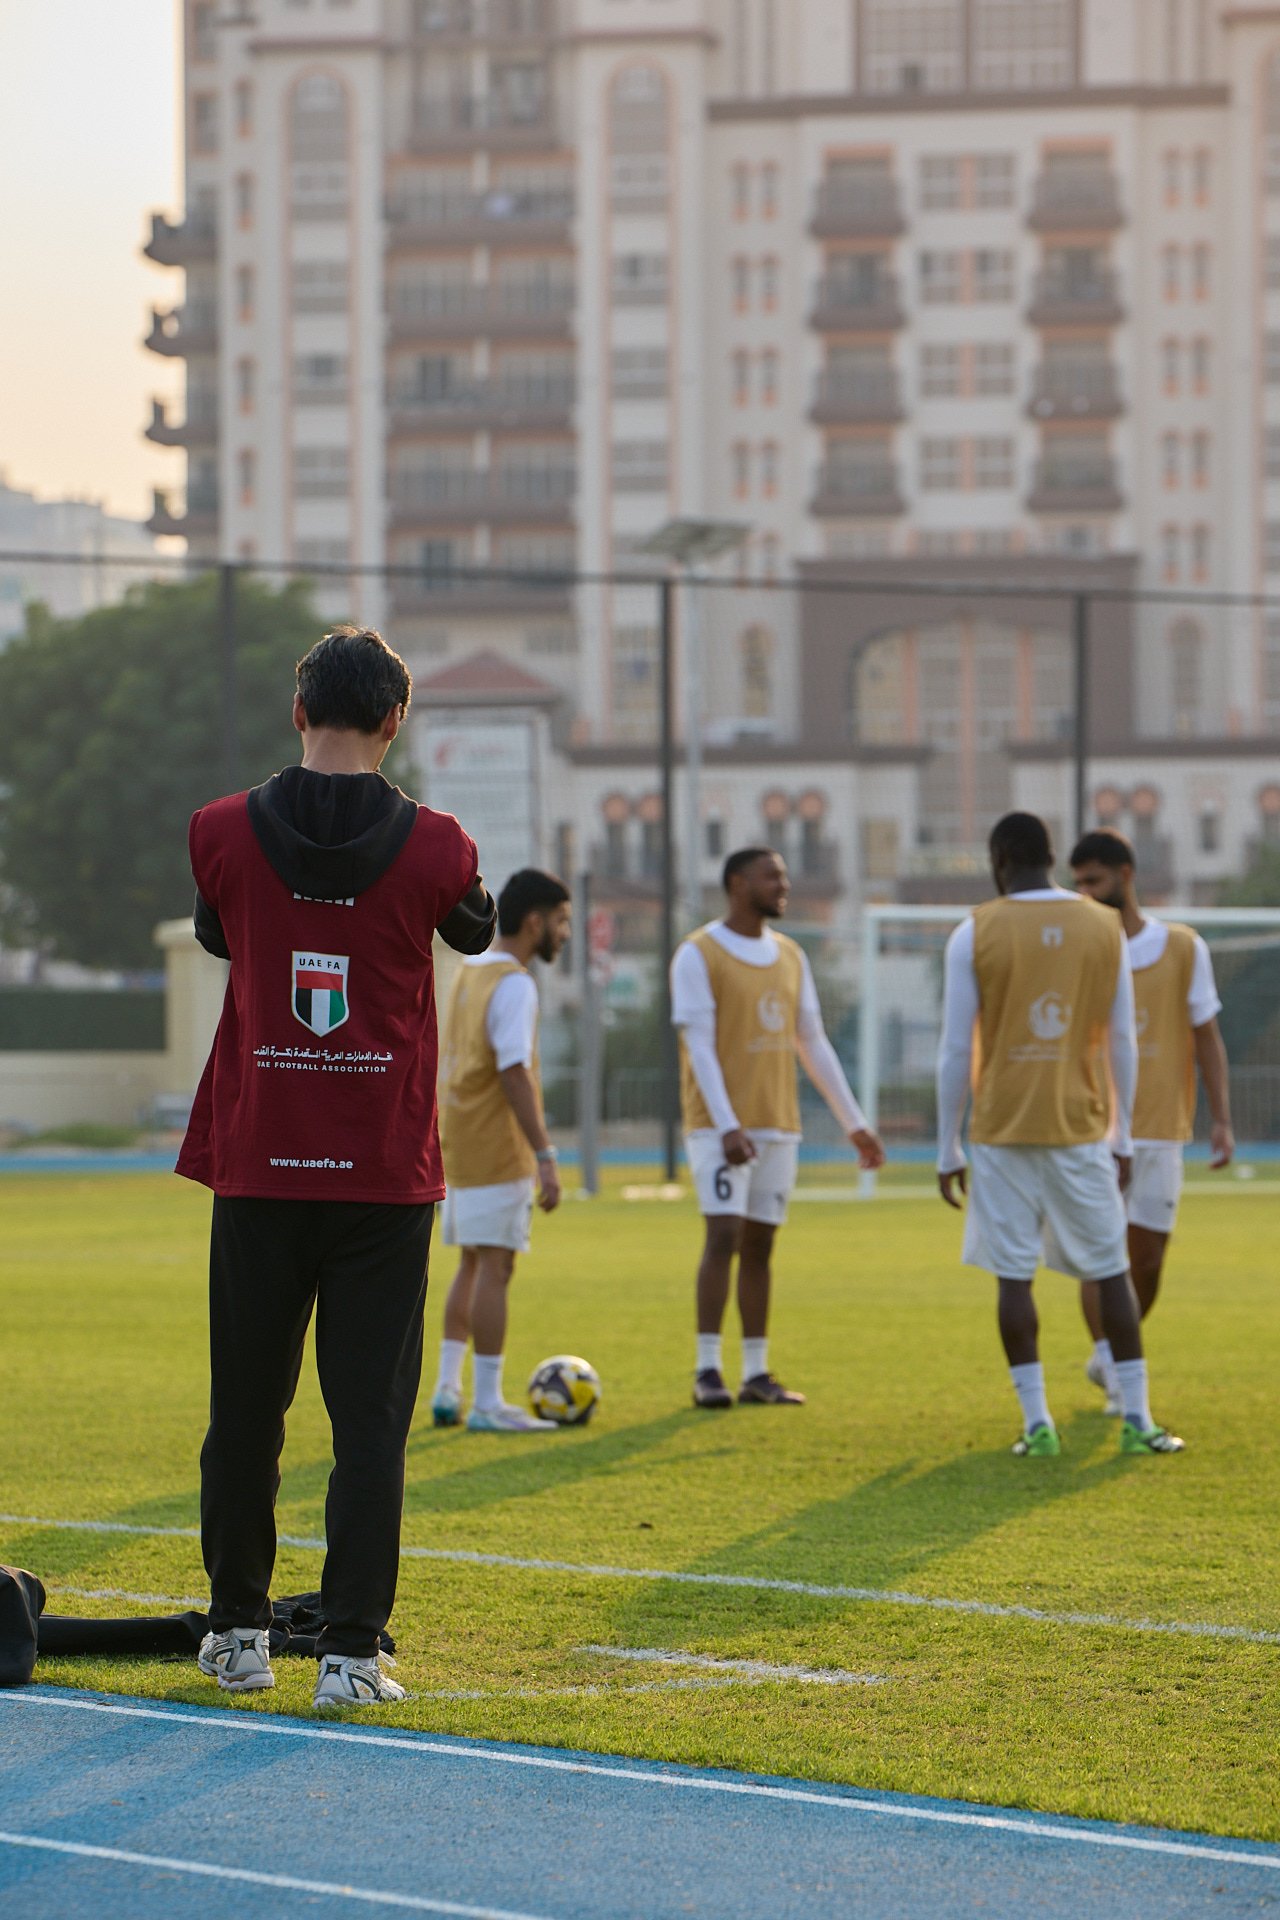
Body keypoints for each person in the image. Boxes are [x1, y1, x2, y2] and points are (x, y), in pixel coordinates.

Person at [177, 625, 496, 1708]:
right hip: (382, 1176)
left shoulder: (219, 829)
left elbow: (219, 935)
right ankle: (351, 1655)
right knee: (369, 1427)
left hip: (259, 1162)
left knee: (244, 1414)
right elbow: (474, 930)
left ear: (298, 709)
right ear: (395, 719)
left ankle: (236, 1635)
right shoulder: (439, 844)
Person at [936, 810, 1183, 1457]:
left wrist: (946, 1145)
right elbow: (1122, 1038)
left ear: (998, 861)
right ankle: (1139, 1420)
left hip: (1000, 1131)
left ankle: (1037, 1425)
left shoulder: (973, 931)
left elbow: (955, 1048)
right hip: (1081, 1127)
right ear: (1051, 858)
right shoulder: (1104, 926)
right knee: (1110, 1270)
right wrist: (1122, 1133)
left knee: (1014, 1278)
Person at [671, 846, 885, 1410]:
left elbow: (811, 1041)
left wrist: (854, 1124)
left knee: (761, 1244)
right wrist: (727, 1125)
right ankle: (707, 1370)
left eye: (784, 876)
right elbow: (698, 1046)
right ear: (738, 884)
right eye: (772, 877)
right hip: (718, 1128)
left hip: (777, 1124)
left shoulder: (790, 955)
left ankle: (757, 1373)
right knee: (723, 1235)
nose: (783, 886)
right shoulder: (698, 953)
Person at [1070, 827, 1234, 1411]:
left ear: (1126, 874)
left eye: (1094, 880)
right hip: (1093, 1128)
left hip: (1162, 1126)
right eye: (1078, 883)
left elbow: (1206, 1036)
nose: (1085, 893)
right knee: (1100, 1254)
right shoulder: (1080, 949)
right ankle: (1117, 1369)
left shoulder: (1184, 947)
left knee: (1147, 1260)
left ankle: (1111, 1357)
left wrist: (1222, 1119)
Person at [431, 869, 573, 1433]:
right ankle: (488, 1403)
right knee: (497, 1264)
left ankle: (448, 1388)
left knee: (470, 1261)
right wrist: (545, 1154)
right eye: (561, 921)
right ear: (535, 922)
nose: (565, 933)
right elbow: (514, 1070)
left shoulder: (470, 970)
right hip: (495, 1143)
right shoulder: (515, 983)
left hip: (458, 1140)